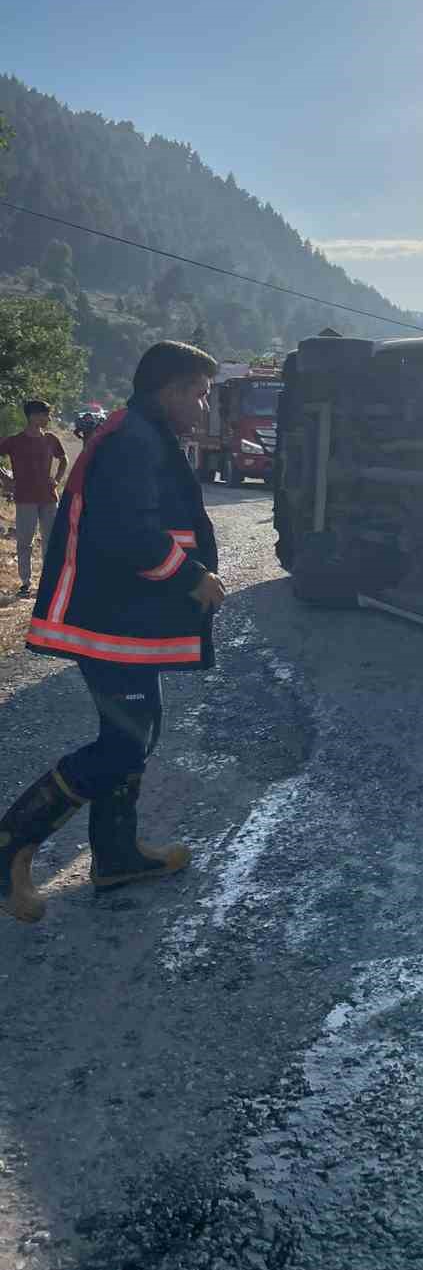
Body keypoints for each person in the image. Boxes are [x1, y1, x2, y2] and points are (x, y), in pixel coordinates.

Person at [0, 342, 227, 925]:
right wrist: (191, 576)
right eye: (199, 393)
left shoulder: (143, 433)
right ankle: (8, 846)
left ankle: (118, 855)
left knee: (136, 735)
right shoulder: (133, 440)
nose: (203, 407)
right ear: (169, 389)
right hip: (108, 619)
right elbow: (129, 530)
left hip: (123, 619)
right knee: (125, 743)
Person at [0, 400, 68, 596]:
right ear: (32, 416)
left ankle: (48, 582)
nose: (48, 419)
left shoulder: (51, 439)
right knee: (24, 542)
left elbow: (63, 459)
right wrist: (4, 477)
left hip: (48, 497)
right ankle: (25, 583)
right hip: (24, 497)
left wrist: (56, 479)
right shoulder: (14, 441)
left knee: (50, 541)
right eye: (45, 415)